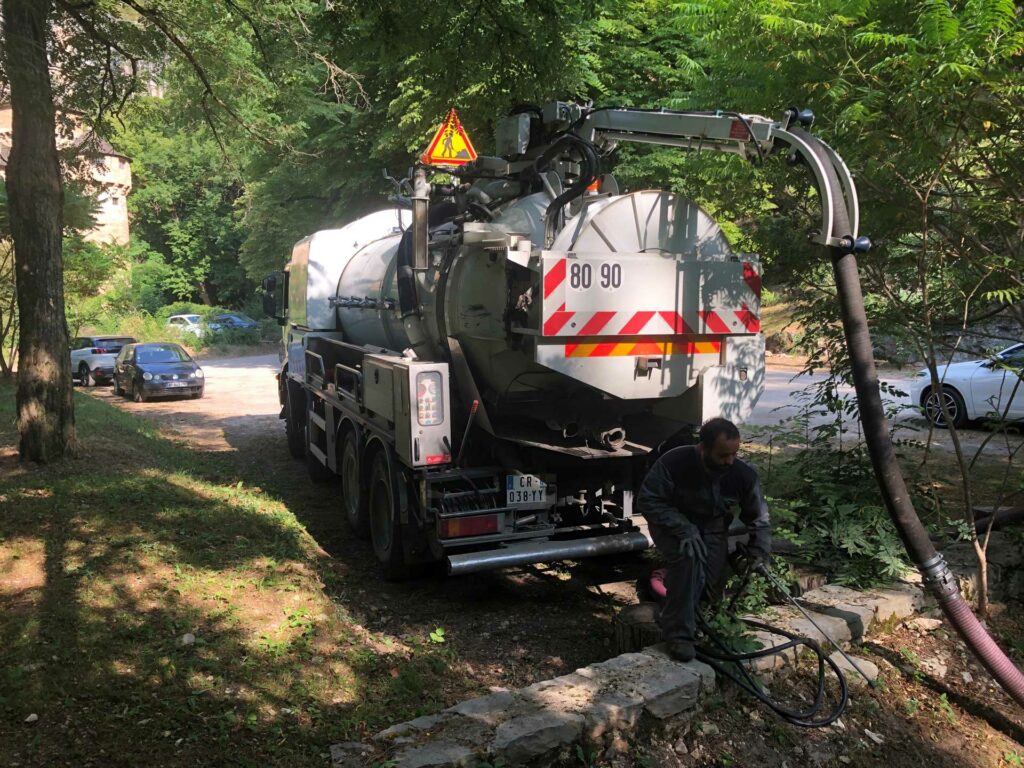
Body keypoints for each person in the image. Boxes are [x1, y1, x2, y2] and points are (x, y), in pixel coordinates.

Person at [637, 417, 771, 662]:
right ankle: (679, 636)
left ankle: (701, 620)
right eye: (722, 455)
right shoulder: (674, 462)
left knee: (712, 577)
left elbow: (759, 519)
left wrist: (759, 551)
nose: (729, 461)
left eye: (734, 454)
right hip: (672, 524)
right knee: (689, 560)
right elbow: (648, 500)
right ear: (703, 448)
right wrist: (683, 528)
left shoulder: (743, 475)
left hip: (712, 528)